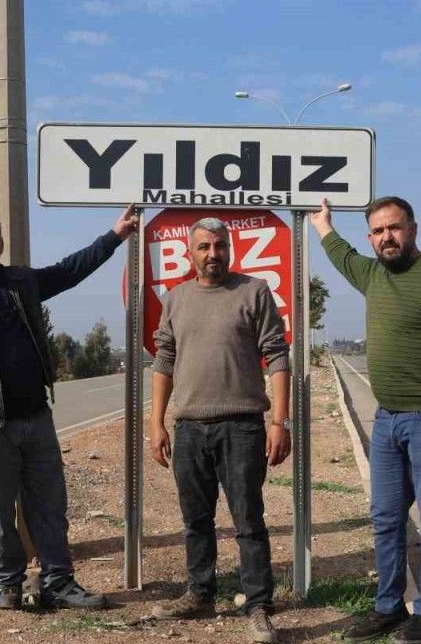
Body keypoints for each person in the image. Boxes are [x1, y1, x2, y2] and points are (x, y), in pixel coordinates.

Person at [0, 206, 138, 611]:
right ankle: (6, 584)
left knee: (50, 507)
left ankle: (59, 583)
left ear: (1, 244)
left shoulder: (20, 284)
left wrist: (115, 236)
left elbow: (70, 270)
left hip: (36, 419)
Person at [309, 196, 421, 644]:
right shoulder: (372, 274)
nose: (387, 237)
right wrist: (323, 225)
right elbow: (342, 256)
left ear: (413, 230)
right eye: (378, 231)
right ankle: (388, 606)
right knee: (386, 517)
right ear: (371, 237)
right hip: (386, 419)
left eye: (394, 227)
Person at [148, 217, 292, 644]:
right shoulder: (175, 299)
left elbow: (277, 356)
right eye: (205, 247)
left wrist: (279, 422)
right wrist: (156, 423)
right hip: (190, 429)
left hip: (242, 427)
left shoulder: (254, 292)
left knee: (249, 520)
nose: (213, 254)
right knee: (196, 520)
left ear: (230, 249)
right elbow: (163, 361)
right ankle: (200, 593)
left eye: (220, 246)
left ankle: (258, 605)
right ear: (190, 253)